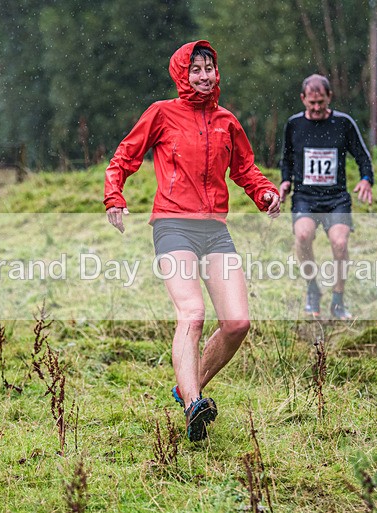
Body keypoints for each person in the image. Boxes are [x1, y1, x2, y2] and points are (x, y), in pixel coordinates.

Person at [104, 40, 280, 442]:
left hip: (214, 230)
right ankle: (193, 407)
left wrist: (265, 194)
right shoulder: (162, 114)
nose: (203, 76)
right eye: (195, 69)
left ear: (217, 74)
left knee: (237, 323)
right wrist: (114, 195)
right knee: (193, 313)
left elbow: (246, 169)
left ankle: (189, 387)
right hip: (173, 226)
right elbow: (124, 156)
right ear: (182, 74)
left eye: (209, 69)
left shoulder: (227, 121)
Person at [279, 74, 374, 320]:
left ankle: (338, 300)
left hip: (336, 198)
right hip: (305, 197)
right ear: (303, 99)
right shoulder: (294, 124)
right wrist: (285, 181)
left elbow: (363, 157)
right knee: (302, 235)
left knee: (340, 244)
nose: (317, 108)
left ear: (329, 97)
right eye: (312, 103)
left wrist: (366, 179)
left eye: (321, 102)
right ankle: (312, 289)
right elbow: (287, 159)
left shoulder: (343, 123)